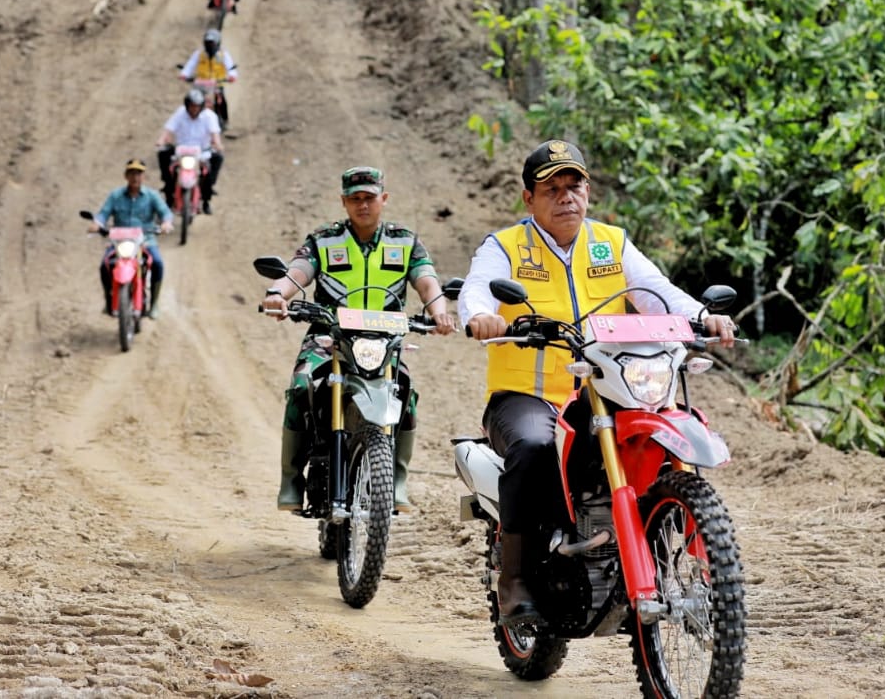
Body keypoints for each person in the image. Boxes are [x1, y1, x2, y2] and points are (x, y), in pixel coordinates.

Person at [458, 139, 737, 627]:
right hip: (530, 396)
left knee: (664, 431)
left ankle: (680, 557)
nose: (566, 197)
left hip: (607, 389)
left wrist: (700, 315)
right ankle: (516, 580)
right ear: (529, 198)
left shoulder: (611, 242)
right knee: (534, 447)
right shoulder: (503, 247)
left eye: (575, 186)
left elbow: (656, 293)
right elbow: (479, 286)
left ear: (589, 191)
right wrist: (481, 315)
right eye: (552, 189)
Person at [261, 166, 457, 513]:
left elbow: (427, 280)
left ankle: (395, 480)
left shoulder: (404, 240)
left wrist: (439, 310)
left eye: (369, 197)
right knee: (301, 385)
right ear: (344, 201)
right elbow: (297, 272)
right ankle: (291, 478)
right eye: (355, 198)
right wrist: (279, 294)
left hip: (383, 340)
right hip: (328, 334)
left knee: (406, 393)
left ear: (384, 198)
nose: (362, 204)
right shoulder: (325, 239)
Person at [88, 158, 174, 319]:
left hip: (145, 241)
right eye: (132, 173)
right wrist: (97, 224)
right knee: (104, 265)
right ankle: (108, 300)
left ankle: (154, 303)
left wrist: (166, 223)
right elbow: (103, 214)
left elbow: (166, 213)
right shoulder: (115, 196)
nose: (135, 177)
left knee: (157, 263)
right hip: (120, 242)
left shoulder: (152, 196)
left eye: (139, 174)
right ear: (125, 176)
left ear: (144, 177)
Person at [156, 88, 225, 215]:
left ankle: (206, 199)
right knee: (163, 155)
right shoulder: (180, 113)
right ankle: (168, 191)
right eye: (192, 106)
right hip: (181, 151)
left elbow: (215, 134)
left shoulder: (210, 116)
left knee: (215, 162)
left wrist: (217, 144)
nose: (194, 109)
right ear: (187, 105)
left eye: (197, 106)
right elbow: (169, 129)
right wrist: (161, 140)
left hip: (202, 153)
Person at [178, 28, 237, 127]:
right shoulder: (199, 54)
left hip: (217, 83)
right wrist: (184, 74)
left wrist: (232, 75)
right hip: (200, 84)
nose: (210, 46)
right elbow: (190, 65)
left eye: (212, 43)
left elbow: (230, 67)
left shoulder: (223, 54)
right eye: (208, 43)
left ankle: (224, 119)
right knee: (192, 99)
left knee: (221, 100)